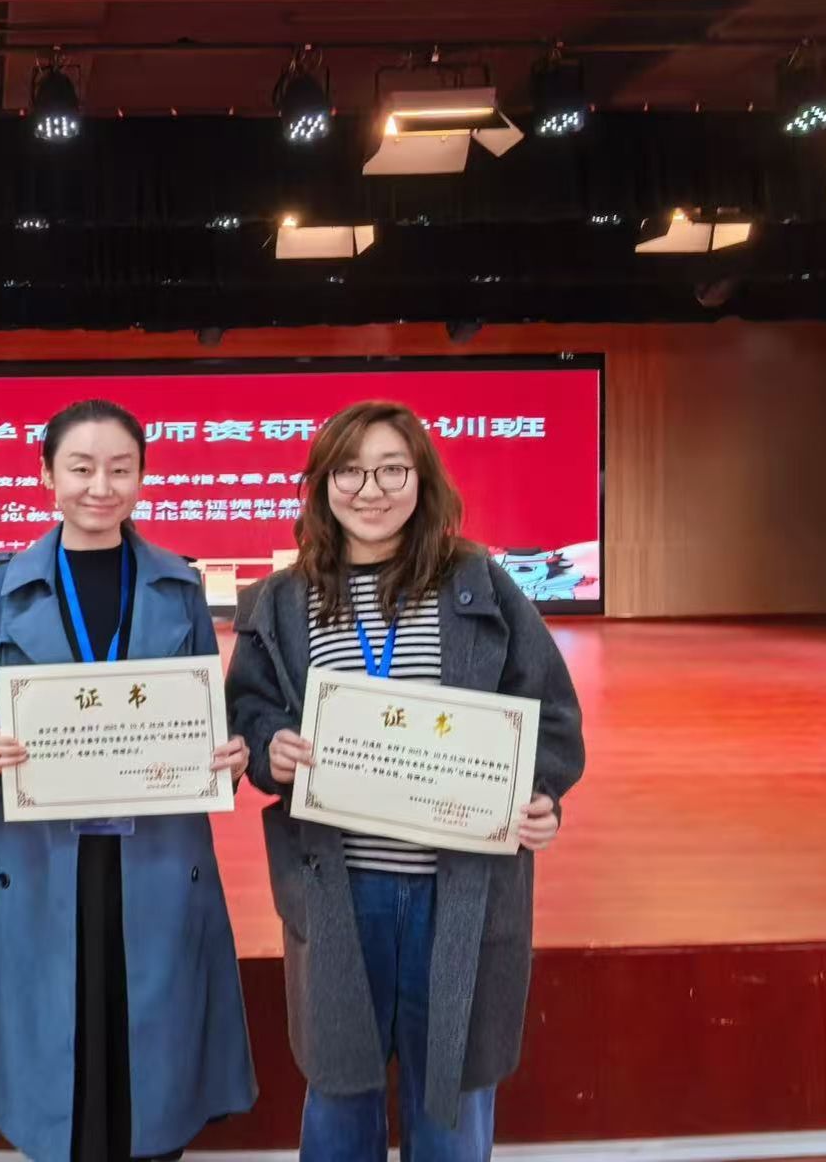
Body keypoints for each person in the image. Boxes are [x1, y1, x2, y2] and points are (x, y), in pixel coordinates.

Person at [225, 399, 586, 1162]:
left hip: (457, 889)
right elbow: (250, 709)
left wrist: (539, 794)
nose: (371, 490)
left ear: (422, 480)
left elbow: (551, 715)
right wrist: (268, 748)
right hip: (338, 886)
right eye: (350, 471)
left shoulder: (477, 583)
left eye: (393, 469)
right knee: (338, 1096)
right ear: (322, 484)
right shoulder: (285, 600)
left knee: (451, 1097)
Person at [0, 398, 258, 1162]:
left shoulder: (178, 586)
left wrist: (228, 747)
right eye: (81, 468)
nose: (101, 486)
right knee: (58, 1021)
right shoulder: (3, 585)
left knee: (150, 1020)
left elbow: (207, 706)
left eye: (120, 469)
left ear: (142, 477)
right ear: (46, 474)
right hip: (42, 844)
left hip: (154, 843)